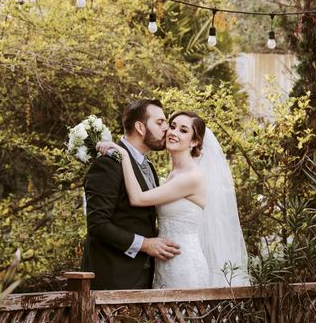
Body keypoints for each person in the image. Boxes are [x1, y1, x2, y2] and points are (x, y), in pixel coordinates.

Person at [99, 111, 250, 288]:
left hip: (185, 265)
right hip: (164, 263)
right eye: (172, 126)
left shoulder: (191, 177)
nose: (173, 132)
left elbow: (138, 198)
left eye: (183, 130)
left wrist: (123, 154)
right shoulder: (170, 176)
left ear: (194, 142)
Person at [81, 99, 181, 290]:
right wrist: (145, 244)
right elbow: (97, 224)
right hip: (114, 278)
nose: (167, 129)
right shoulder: (107, 164)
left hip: (145, 276)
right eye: (160, 123)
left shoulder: (148, 166)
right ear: (140, 128)